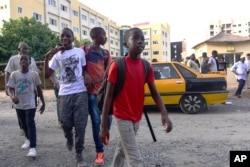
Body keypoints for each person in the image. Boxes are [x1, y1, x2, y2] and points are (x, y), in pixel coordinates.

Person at [99, 27, 173, 167]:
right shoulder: (117, 66)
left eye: (142, 40)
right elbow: (108, 97)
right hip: (122, 116)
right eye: (135, 39)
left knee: (121, 150)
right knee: (135, 158)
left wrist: (164, 114)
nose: (140, 42)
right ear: (126, 44)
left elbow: (155, 93)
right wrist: (104, 126)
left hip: (136, 117)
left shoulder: (146, 66)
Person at [44, 28, 88, 167]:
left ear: (72, 38)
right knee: (65, 124)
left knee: (80, 126)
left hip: (80, 92)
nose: (64, 38)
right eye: (62, 36)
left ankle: (79, 154)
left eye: (67, 36)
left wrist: (87, 78)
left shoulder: (80, 52)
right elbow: (47, 74)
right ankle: (69, 138)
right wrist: (47, 57)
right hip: (64, 94)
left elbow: (84, 69)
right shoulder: (56, 56)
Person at [7, 54, 45, 157]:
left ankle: (33, 148)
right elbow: (9, 88)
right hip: (19, 104)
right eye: (21, 59)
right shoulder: (14, 74)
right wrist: (12, 97)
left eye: (26, 59)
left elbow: (39, 89)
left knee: (30, 123)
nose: (23, 61)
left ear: (29, 62)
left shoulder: (34, 74)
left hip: (31, 103)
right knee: (23, 124)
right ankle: (28, 139)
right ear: (19, 62)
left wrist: (43, 102)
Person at [84, 27, 112, 165]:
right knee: (96, 122)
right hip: (91, 93)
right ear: (95, 36)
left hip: (104, 92)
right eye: (103, 35)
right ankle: (99, 152)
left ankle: (104, 133)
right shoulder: (85, 50)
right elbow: (80, 66)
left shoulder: (106, 53)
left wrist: (99, 80)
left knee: (109, 118)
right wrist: (86, 74)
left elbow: (109, 71)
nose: (106, 38)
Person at [4, 42, 40, 136]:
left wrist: (36, 87)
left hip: (31, 89)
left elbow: (35, 73)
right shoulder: (13, 59)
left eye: (27, 48)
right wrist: (7, 86)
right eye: (23, 48)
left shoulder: (31, 59)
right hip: (19, 89)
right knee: (19, 108)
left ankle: (29, 122)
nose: (25, 50)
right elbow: (8, 73)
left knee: (33, 106)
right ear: (19, 49)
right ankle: (22, 126)